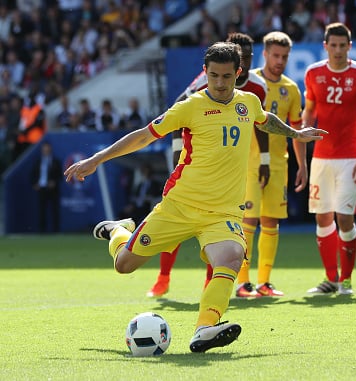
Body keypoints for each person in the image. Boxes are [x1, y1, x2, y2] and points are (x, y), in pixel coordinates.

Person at [63, 42, 326, 353]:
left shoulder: (248, 102)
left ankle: (204, 328)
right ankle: (117, 231)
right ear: (205, 72)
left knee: (230, 257)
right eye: (213, 75)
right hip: (179, 206)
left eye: (226, 76)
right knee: (124, 265)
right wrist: (97, 158)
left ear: (237, 74)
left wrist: (296, 134)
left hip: (223, 213)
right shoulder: (190, 106)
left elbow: (264, 118)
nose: (219, 82)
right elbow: (144, 135)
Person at [146, 32, 269, 299]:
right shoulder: (207, 81)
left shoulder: (257, 88)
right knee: (175, 223)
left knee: (219, 230)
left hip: (234, 165)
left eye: (248, 57)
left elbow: (263, 122)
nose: (246, 62)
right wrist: (179, 154)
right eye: (242, 56)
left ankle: (210, 285)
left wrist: (266, 160)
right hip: (196, 160)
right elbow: (179, 109)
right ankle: (163, 277)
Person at [301, 22, 356, 295]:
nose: (337, 50)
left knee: (344, 218)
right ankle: (330, 279)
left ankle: (346, 280)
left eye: (342, 46)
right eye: (332, 45)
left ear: (349, 46)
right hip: (321, 157)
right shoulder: (313, 73)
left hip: (350, 157)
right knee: (322, 219)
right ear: (325, 46)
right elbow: (309, 111)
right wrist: (304, 131)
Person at [235, 31, 306, 297]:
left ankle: (264, 283)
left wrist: (302, 165)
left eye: (284, 56)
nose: (280, 61)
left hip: (279, 164)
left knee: (271, 222)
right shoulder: (248, 82)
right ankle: (243, 283)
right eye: (275, 55)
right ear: (264, 54)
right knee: (248, 220)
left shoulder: (292, 88)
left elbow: (296, 130)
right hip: (249, 163)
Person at [31, 141, 62, 233]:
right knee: (41, 210)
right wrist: (34, 184)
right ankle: (42, 231)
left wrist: (54, 182)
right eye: (44, 149)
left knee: (54, 210)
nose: (46, 151)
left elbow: (60, 175)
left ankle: (56, 230)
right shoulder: (38, 161)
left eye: (47, 149)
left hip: (53, 189)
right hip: (41, 188)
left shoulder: (56, 161)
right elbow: (33, 174)